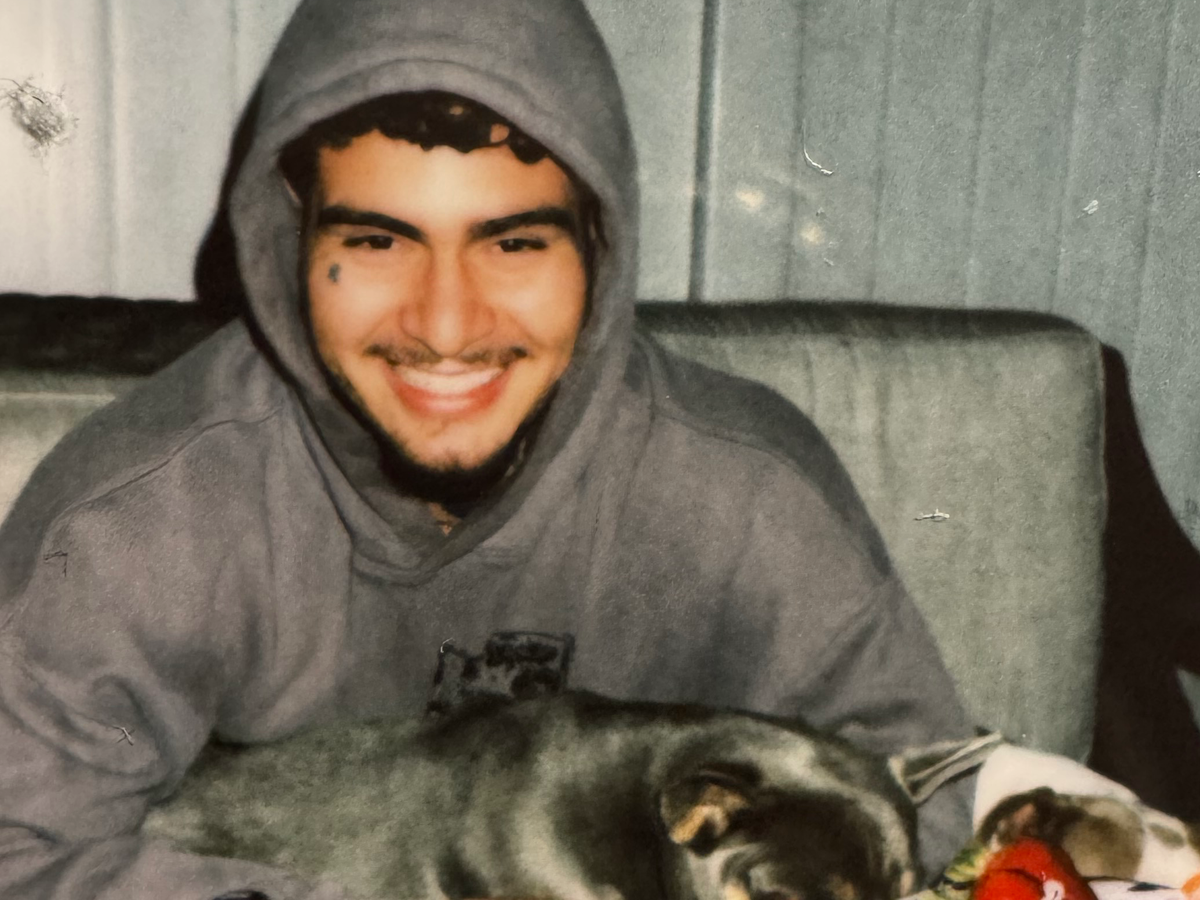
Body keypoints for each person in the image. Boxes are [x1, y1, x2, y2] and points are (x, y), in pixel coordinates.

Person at [0, 0, 974, 896]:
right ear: (290, 240)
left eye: (514, 244)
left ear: (600, 245)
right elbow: (18, 848)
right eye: (377, 242)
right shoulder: (138, 514)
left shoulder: (749, 490)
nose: (446, 324)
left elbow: (919, 802)